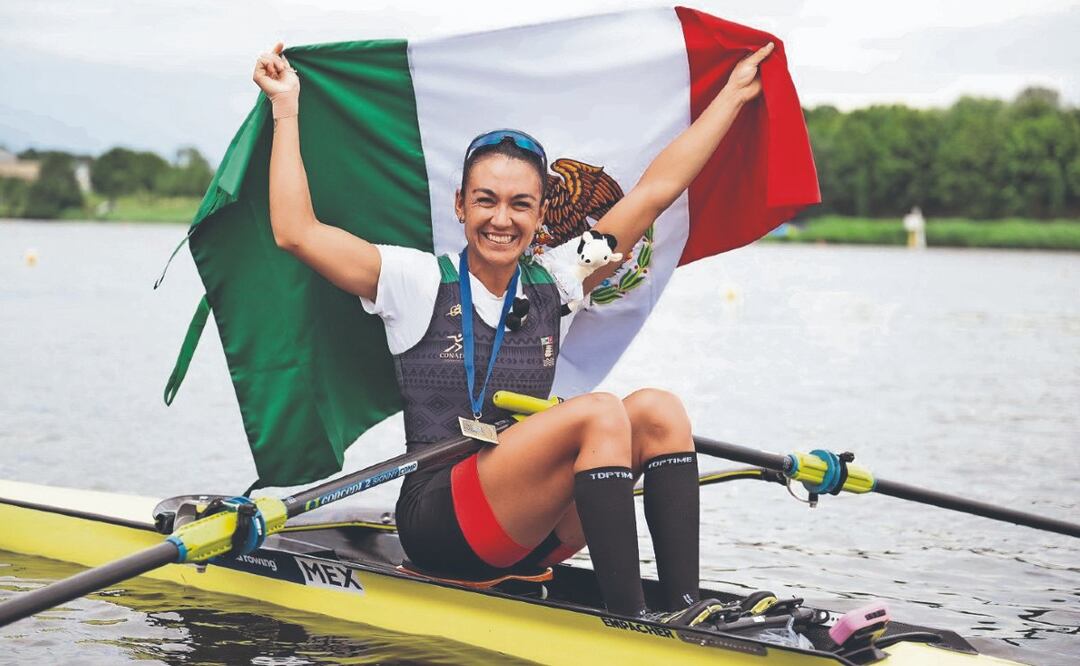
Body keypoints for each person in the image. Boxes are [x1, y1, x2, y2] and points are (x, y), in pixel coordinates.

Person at [252, 38, 774, 622]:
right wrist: (286, 106)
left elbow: (655, 191)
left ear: (541, 213)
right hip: (439, 519)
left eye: (520, 205)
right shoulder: (413, 279)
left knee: (658, 410)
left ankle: (685, 607)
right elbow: (295, 231)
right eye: (486, 201)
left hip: (526, 532)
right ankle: (630, 622)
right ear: (460, 206)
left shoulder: (559, 276)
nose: (502, 219)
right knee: (600, 411)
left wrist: (731, 97)